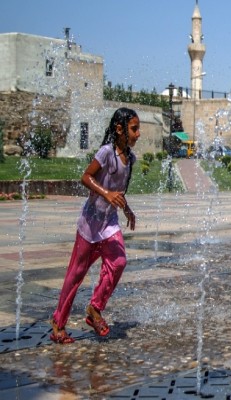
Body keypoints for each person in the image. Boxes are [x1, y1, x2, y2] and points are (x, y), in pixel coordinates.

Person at [50, 107, 140, 344]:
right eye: (134, 129)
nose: (138, 134)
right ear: (119, 129)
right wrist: (106, 193)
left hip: (109, 223)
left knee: (119, 261)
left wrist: (127, 208)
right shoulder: (106, 152)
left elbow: (118, 192)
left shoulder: (129, 159)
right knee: (76, 275)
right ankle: (58, 324)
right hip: (90, 224)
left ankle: (94, 309)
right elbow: (86, 177)